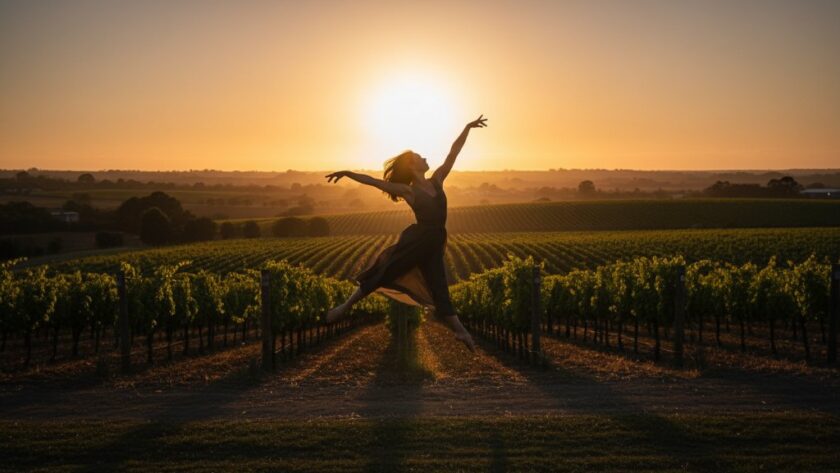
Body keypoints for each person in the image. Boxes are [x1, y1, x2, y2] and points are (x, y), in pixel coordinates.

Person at [323, 114, 488, 352]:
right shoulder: (408, 191)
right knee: (385, 270)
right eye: (420, 157)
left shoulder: (438, 179)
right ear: (412, 166)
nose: (425, 158)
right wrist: (348, 173)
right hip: (418, 240)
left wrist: (467, 128)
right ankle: (344, 307)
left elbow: (453, 152)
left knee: (439, 286)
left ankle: (460, 331)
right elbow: (374, 182)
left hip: (435, 241)